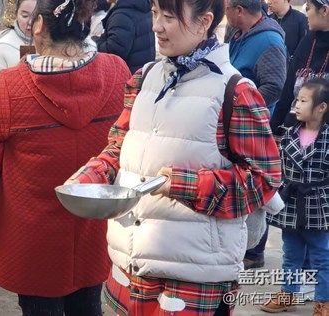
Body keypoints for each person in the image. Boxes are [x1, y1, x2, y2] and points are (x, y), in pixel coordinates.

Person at [66, 0, 282, 314]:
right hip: (132, 261)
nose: (156, 26)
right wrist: (90, 178)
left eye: (168, 17)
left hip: (194, 275)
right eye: (155, 13)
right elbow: (118, 146)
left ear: (204, 21)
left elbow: (264, 180)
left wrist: (182, 183)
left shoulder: (235, 92)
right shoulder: (144, 78)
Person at [0, 0, 132, 313]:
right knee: (88, 306)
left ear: (40, 26)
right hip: (92, 227)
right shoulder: (117, 71)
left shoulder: (11, 84)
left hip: (33, 238)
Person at [225, 0, 287, 270]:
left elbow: (274, 86)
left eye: (226, 6)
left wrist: (242, 107)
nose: (222, 12)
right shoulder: (237, 34)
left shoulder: (269, 41)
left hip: (253, 128)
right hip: (233, 123)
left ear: (239, 10)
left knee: (255, 189)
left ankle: (254, 251)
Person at [261, 78, 329, 314]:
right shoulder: (289, 134)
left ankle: (323, 301)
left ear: (322, 107)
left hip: (319, 204)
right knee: (290, 254)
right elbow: (277, 167)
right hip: (291, 202)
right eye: (296, 100)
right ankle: (288, 293)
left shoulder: (328, 138)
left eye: (303, 100)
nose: (297, 105)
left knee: (322, 255)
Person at [271, 0, 329, 137]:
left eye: (308, 8)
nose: (306, 14)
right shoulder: (307, 41)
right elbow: (288, 90)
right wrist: (273, 128)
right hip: (293, 136)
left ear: (325, 11)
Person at [0, 0, 37, 85]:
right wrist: (14, 73)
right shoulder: (2, 47)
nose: (30, 22)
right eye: (25, 16)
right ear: (16, 15)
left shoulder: (53, 44)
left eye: (36, 17)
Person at [91, 0, 155, 73]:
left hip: (127, 77)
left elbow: (114, 51)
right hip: (141, 74)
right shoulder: (141, 7)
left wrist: (93, 42)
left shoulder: (123, 15)